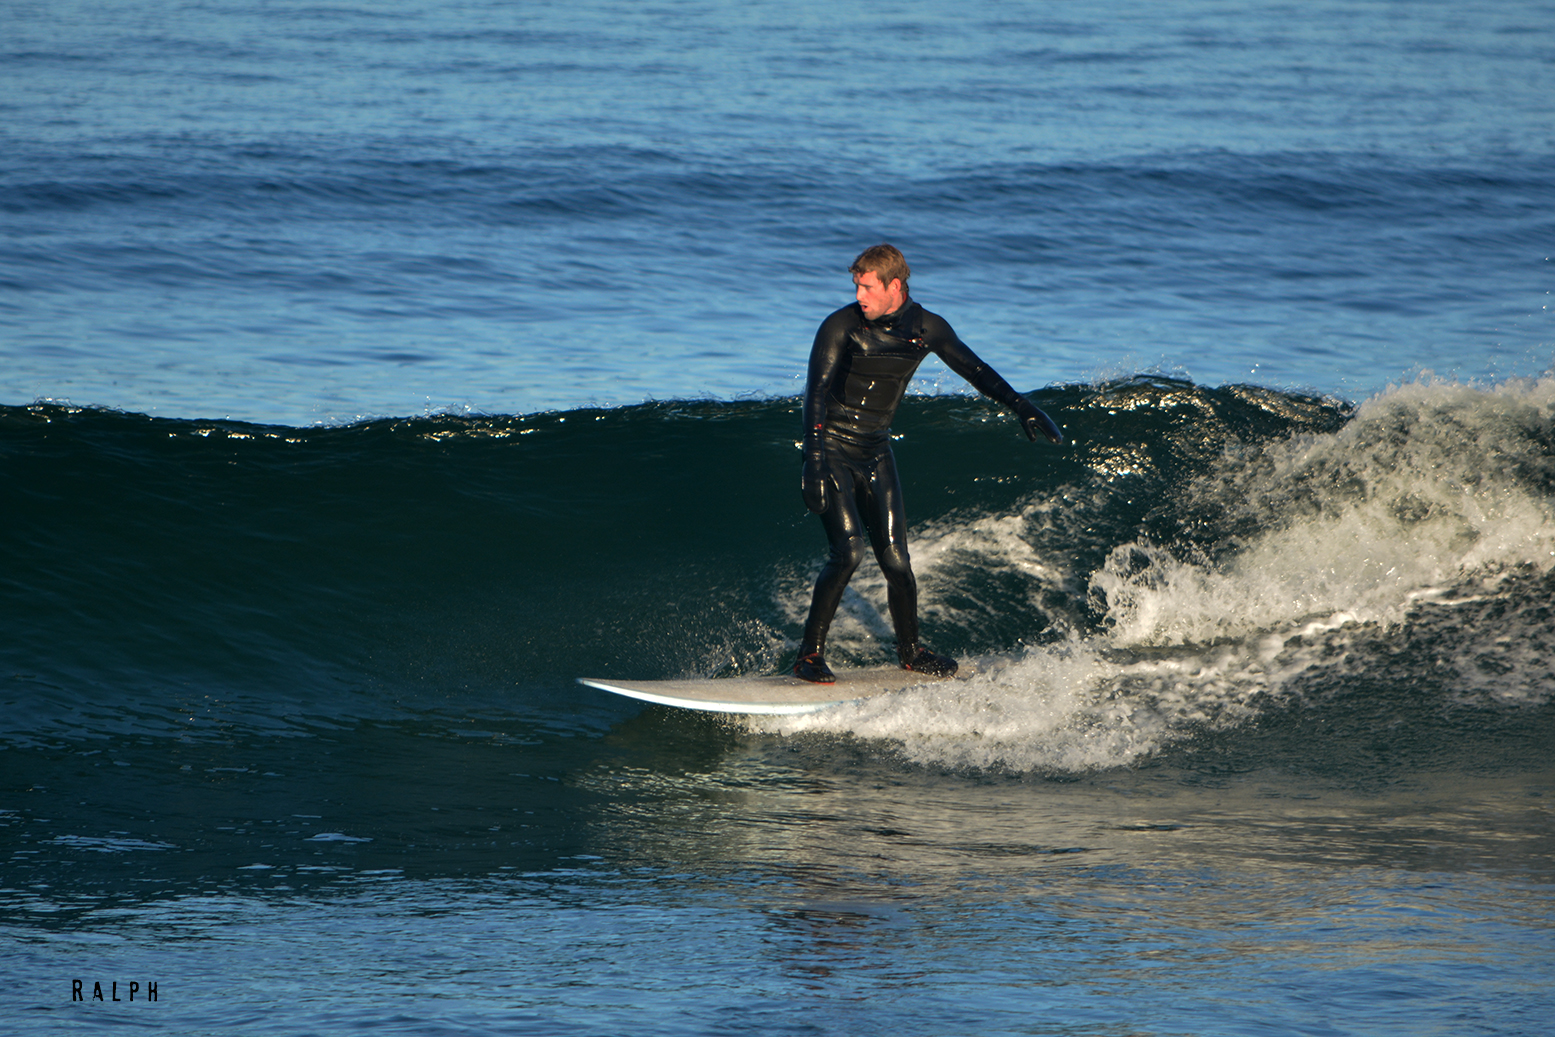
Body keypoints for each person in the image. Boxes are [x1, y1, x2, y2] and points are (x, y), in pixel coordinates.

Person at [794, 244, 1062, 684]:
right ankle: (808, 655)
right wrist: (813, 461)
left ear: (894, 286)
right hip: (833, 448)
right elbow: (816, 394)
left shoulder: (926, 328)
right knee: (849, 552)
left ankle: (910, 652)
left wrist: (1022, 406)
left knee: (897, 561)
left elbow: (976, 370)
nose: (859, 296)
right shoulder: (840, 325)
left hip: (876, 452)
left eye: (867, 287)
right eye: (856, 286)